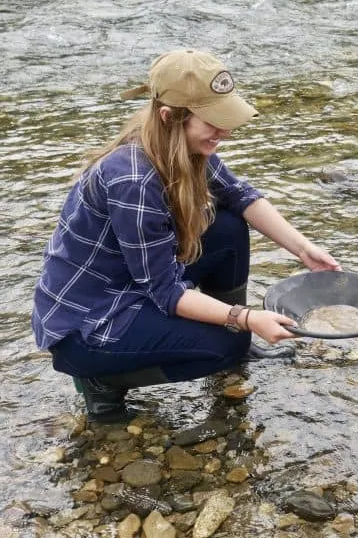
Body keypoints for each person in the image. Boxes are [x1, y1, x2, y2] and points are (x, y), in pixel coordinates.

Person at [32, 49, 341, 423]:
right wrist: (245, 319)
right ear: (169, 117)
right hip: (90, 323)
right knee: (226, 343)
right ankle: (101, 381)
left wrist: (305, 250)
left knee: (226, 226)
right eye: (213, 121)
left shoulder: (181, 146)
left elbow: (240, 196)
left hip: (132, 283)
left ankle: (238, 345)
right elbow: (166, 292)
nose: (225, 132)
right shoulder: (133, 179)